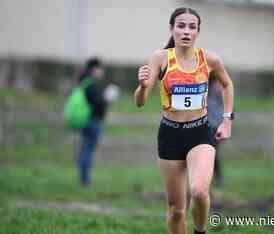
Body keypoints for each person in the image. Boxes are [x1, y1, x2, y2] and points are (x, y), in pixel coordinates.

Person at [134, 7, 234, 234]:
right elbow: (140, 101)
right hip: (170, 135)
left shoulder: (209, 59)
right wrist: (141, 86)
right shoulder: (160, 58)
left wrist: (227, 120)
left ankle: (200, 231)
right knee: (176, 211)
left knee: (199, 191)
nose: (186, 31)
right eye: (181, 26)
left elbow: (228, 85)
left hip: (200, 132)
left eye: (192, 27)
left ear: (198, 31)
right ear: (172, 28)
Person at [76, 57, 119, 187]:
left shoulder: (84, 82)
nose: (102, 71)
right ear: (95, 69)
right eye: (100, 69)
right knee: (88, 150)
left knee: (85, 148)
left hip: (86, 121)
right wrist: (108, 98)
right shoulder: (92, 84)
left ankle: (83, 178)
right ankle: (85, 180)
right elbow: (99, 104)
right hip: (92, 121)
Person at [207, 77, 225, 186]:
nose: (219, 86)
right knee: (212, 153)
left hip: (217, 128)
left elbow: (229, 113)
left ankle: (217, 177)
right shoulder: (207, 94)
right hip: (208, 127)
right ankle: (216, 177)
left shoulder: (222, 98)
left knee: (213, 153)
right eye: (217, 83)